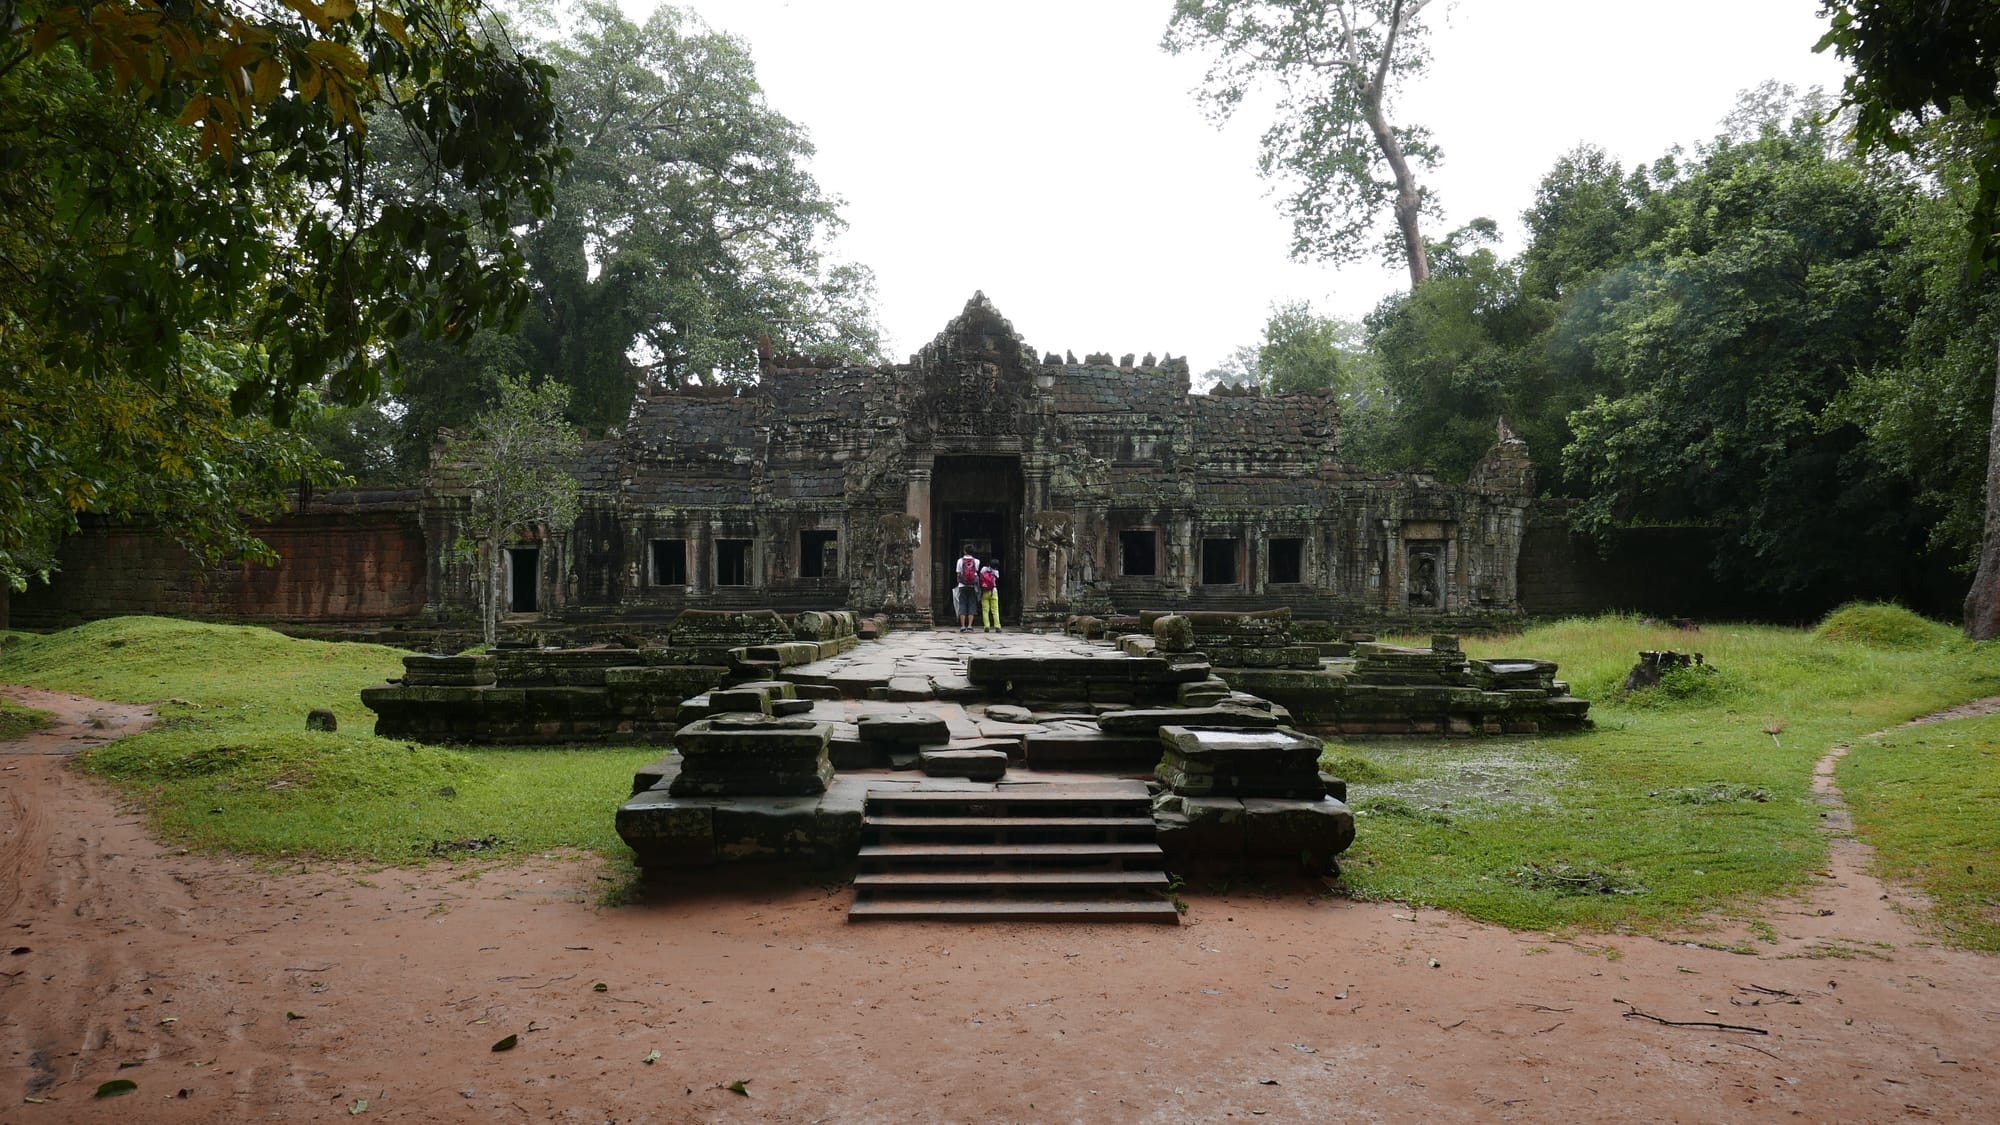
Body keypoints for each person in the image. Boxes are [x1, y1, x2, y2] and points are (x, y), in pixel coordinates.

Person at [954, 546, 980, 632]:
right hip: (972, 586)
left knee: (962, 604)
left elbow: (958, 573)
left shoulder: (960, 561)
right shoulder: (976, 561)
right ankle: (969, 625)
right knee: (972, 605)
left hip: (962, 585)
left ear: (964, 551)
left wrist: (959, 582)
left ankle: (962, 626)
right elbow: (976, 572)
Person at [977, 562, 1001, 633]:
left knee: (985, 610)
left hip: (985, 591)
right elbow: (996, 579)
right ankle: (997, 626)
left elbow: (980, 577)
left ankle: (986, 626)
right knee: (995, 610)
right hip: (993, 591)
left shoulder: (984, 569)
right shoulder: (996, 572)